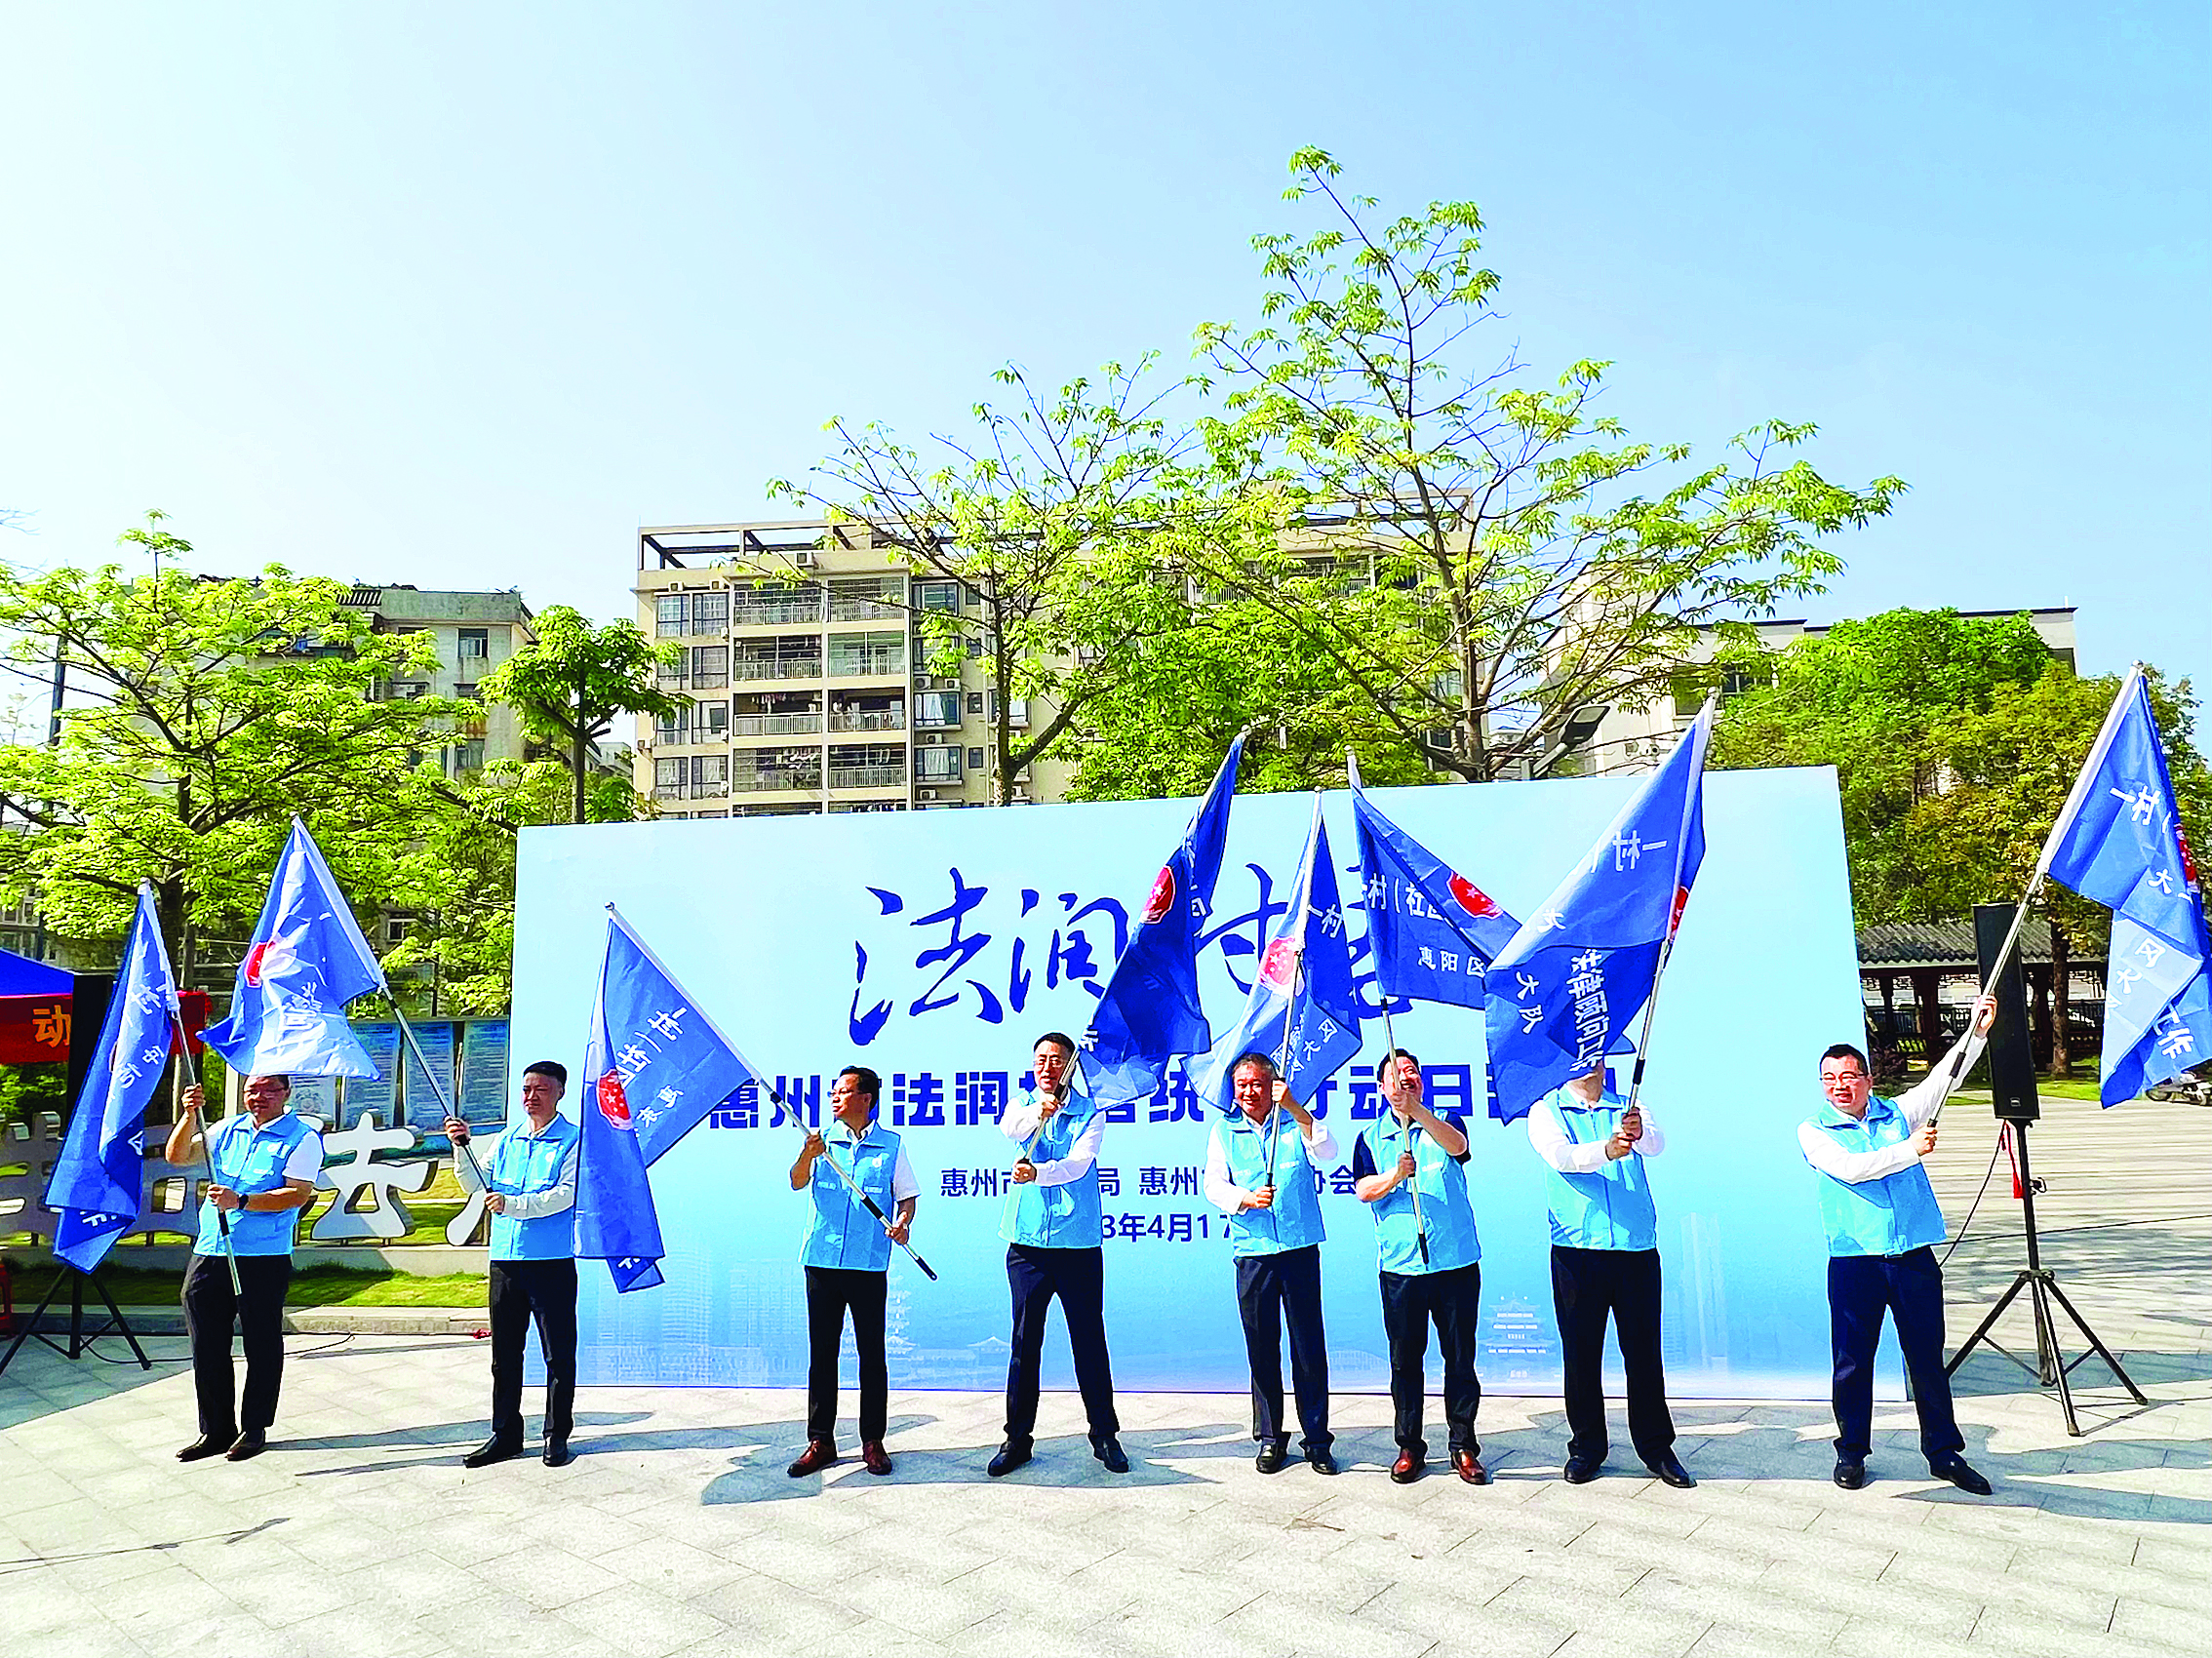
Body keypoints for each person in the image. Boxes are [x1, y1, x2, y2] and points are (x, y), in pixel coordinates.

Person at [1801, 996, 1997, 1495]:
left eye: (1848, 1076)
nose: (1839, 1086)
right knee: (1852, 1361)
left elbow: (1942, 1079)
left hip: (1912, 1259)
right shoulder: (1814, 1130)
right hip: (1855, 1262)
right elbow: (1851, 1170)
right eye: (1829, 1079)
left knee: (1927, 1357)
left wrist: (1975, 1032)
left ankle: (1944, 1452)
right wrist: (1909, 1150)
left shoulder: (1897, 1114)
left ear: (1867, 1079)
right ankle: (1851, 1453)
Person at [1525, 1061, 1694, 1487]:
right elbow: (1561, 1158)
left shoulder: (1629, 1107)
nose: (1587, 1065)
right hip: (1576, 1249)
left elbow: (1655, 1146)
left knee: (1643, 1354)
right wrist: (1608, 1149)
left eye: (1594, 1056)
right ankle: (1586, 1448)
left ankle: (1656, 1447)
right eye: (1578, 1057)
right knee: (1581, 1355)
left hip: (1635, 1247)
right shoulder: (1547, 1111)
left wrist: (1638, 1133)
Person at [164, 1074, 324, 1462]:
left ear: (286, 1093)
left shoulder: (302, 1137)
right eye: (253, 1089)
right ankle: (216, 1430)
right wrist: (189, 1115)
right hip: (212, 1248)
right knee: (207, 1342)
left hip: (262, 1255)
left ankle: (254, 1428)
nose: (260, 1096)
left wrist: (243, 1200)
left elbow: (298, 1193)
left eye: (270, 1089)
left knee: (261, 1342)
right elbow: (179, 1155)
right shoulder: (225, 1128)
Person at [989, 1031, 1126, 1477]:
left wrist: (1040, 1173)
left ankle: (1104, 1435)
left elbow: (1078, 1165)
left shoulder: (1091, 1113)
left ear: (1071, 1066)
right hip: (1027, 1245)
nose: (1048, 1067)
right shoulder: (1021, 1103)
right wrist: (1038, 1113)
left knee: (1088, 1341)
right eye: (1041, 1060)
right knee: (1025, 1343)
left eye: (1057, 1060)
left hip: (1077, 1245)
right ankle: (1017, 1438)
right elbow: (1009, 1129)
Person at [1352, 1048, 1488, 1484]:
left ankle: (1463, 1445)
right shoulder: (1370, 1137)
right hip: (1401, 1268)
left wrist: (1420, 1115)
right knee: (1405, 1362)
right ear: (1380, 1088)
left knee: (1460, 1359)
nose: (1405, 1079)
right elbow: (1364, 1190)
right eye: (1396, 1075)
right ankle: (1410, 1445)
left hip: (1454, 1263)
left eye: (1412, 1072)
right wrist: (1395, 1175)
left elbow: (1459, 1147)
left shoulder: (1446, 1121)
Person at [1203, 1052, 1339, 1475]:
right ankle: (1269, 1437)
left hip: (1298, 1248)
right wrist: (1244, 1198)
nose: (1248, 1092)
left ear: (1272, 1084)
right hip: (1253, 1252)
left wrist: (1296, 1107)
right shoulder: (1224, 1130)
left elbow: (1328, 1151)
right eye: (1241, 1085)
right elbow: (1213, 1185)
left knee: (1308, 1346)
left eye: (1256, 1084)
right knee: (1262, 1347)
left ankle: (1316, 1438)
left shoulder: (1294, 1123)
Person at [784, 1065, 919, 1478]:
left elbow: (907, 1197)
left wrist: (903, 1223)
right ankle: (820, 1440)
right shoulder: (821, 1142)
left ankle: (872, 1441)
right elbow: (795, 1182)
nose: (835, 1099)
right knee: (822, 1354)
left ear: (867, 1099)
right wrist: (807, 1155)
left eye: (844, 1092)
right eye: (833, 1093)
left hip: (867, 1263)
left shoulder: (891, 1146)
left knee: (871, 1356)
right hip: (822, 1260)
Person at [446, 1060, 581, 1469]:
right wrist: (460, 1145)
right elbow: (474, 1183)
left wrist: (513, 1205)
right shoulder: (507, 1140)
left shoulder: (573, 1140)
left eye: (541, 1089)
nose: (531, 1096)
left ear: (559, 1093)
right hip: (505, 1260)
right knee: (505, 1354)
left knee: (558, 1354)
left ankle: (556, 1435)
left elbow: (566, 1194)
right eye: (526, 1089)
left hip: (551, 1261)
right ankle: (505, 1434)